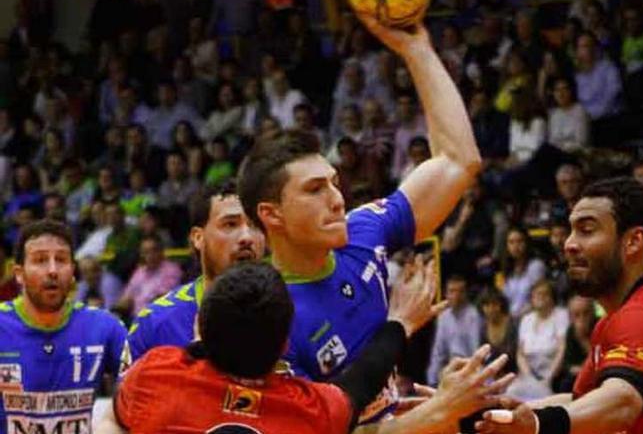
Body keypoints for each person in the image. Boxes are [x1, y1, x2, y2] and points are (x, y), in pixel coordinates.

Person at [237, 13, 482, 421]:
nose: (336, 199)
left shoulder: (362, 231)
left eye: (333, 183)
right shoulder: (268, 318)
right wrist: (441, 412)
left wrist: (416, 50)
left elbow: (459, 161)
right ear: (271, 214)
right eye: (314, 190)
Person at [99, 260, 514, 434]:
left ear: (199, 325)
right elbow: (360, 382)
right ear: (284, 345)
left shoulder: (156, 375)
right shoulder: (305, 410)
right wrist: (401, 323)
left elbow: (111, 414)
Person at [476, 177, 643, 434]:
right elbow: (583, 401)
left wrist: (537, 425)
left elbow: (620, 404)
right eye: (571, 230)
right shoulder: (612, 322)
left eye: (587, 230)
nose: (569, 244)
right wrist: (495, 413)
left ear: (633, 241)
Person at [0, 220, 129, 433]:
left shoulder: (105, 327)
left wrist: (112, 422)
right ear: (19, 274)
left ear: (73, 271)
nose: (52, 270)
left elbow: (145, 387)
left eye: (61, 260)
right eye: (40, 260)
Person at [127, 181, 266, 361]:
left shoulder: (293, 314)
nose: (247, 237)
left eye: (255, 225)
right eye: (230, 224)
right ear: (198, 238)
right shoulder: (156, 323)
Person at [426, 274, 482, 386]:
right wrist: (431, 380)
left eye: (460, 291)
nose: (456, 295)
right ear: (446, 294)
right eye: (452, 291)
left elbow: (476, 351)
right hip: (449, 367)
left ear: (466, 294)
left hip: (468, 366)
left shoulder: (473, 315)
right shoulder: (443, 317)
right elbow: (438, 351)